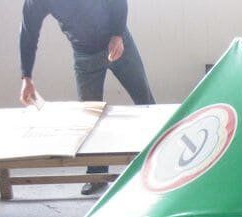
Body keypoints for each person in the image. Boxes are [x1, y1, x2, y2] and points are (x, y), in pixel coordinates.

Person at [19, 0, 155, 195]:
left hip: (118, 43)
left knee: (146, 103)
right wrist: (26, 77)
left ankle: (160, 160)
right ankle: (97, 175)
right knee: (90, 117)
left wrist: (117, 35)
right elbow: (28, 33)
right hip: (84, 55)